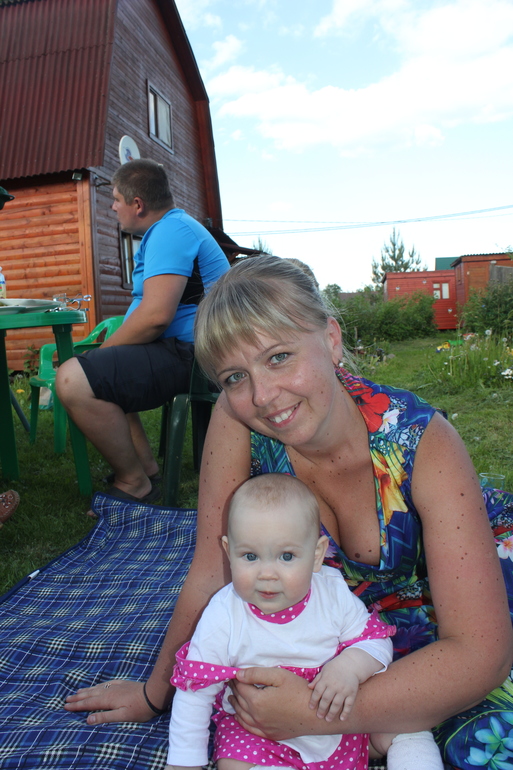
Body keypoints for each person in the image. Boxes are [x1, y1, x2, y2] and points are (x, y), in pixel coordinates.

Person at [64, 256, 513, 770]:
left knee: (486, 743)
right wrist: (155, 694)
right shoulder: (241, 419)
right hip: (341, 628)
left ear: (332, 339)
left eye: (278, 357)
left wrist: (311, 715)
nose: (262, 396)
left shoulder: (422, 442)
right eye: (235, 376)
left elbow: (481, 653)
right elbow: (213, 569)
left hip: (455, 604)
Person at [166, 473, 443, 770]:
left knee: (408, 726)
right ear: (228, 552)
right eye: (250, 556)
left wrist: (348, 667)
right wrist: (184, 763)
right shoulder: (224, 614)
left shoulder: (332, 593)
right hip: (259, 733)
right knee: (233, 763)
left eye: (286, 556)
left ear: (317, 555)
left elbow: (376, 642)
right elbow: (195, 689)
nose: (267, 574)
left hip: (336, 720)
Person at [55, 159, 229, 503]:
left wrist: (102, 353)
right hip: (186, 348)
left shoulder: (171, 231)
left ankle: (134, 482)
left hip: (197, 355)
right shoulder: (171, 229)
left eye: (116, 199)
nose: (113, 207)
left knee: (74, 379)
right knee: (102, 371)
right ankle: (146, 469)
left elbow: (155, 317)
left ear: (138, 204)